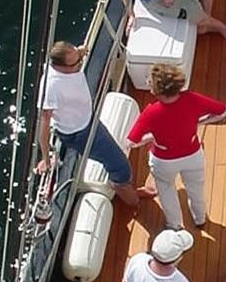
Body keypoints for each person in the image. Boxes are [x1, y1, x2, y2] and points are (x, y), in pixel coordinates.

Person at [36, 40, 146, 208]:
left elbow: (78, 53)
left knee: (114, 155)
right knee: (120, 166)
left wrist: (80, 51)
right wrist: (45, 159)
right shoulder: (51, 87)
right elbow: (44, 125)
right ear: (61, 67)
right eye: (76, 63)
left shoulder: (70, 61)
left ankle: (126, 187)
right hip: (79, 133)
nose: (81, 63)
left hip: (88, 119)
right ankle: (132, 200)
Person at [127, 63, 226, 230]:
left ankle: (175, 225)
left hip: (164, 160)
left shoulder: (150, 113)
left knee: (166, 190)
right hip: (193, 155)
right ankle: (199, 218)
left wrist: (152, 136)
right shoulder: (192, 99)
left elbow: (132, 141)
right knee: (196, 187)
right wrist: (200, 122)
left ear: (156, 90)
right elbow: (224, 111)